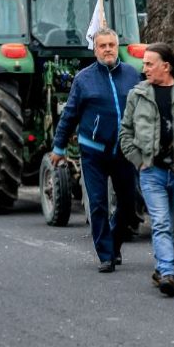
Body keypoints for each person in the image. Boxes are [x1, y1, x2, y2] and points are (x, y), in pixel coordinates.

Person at [120, 43, 174, 296]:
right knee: (160, 222)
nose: (144, 68)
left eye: (149, 63)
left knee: (173, 225)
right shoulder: (138, 94)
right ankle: (168, 273)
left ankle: (162, 267)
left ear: (166, 66)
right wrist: (139, 160)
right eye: (144, 63)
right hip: (151, 172)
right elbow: (125, 131)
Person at [51, 28, 141, 273]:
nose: (108, 49)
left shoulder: (133, 75)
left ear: (117, 46)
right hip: (93, 151)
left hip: (124, 150)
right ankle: (106, 255)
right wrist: (58, 147)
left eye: (112, 44)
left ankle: (114, 242)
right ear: (95, 49)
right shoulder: (83, 79)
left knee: (128, 204)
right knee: (99, 203)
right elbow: (70, 114)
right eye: (103, 45)